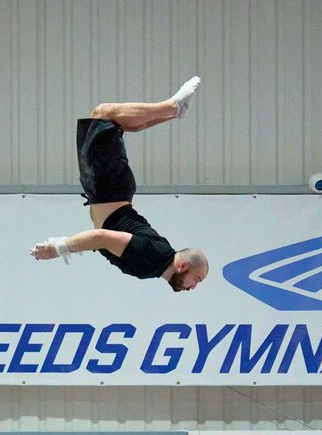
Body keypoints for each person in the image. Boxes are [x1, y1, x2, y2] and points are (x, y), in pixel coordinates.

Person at [30, 77, 210, 292]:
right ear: (184, 266)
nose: (193, 287)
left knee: (112, 123)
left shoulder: (154, 265)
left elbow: (102, 241)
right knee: (103, 115)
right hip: (108, 188)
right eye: (196, 280)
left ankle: (174, 110)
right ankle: (173, 107)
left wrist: (74, 246)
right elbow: (101, 236)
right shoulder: (153, 258)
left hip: (109, 190)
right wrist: (59, 248)